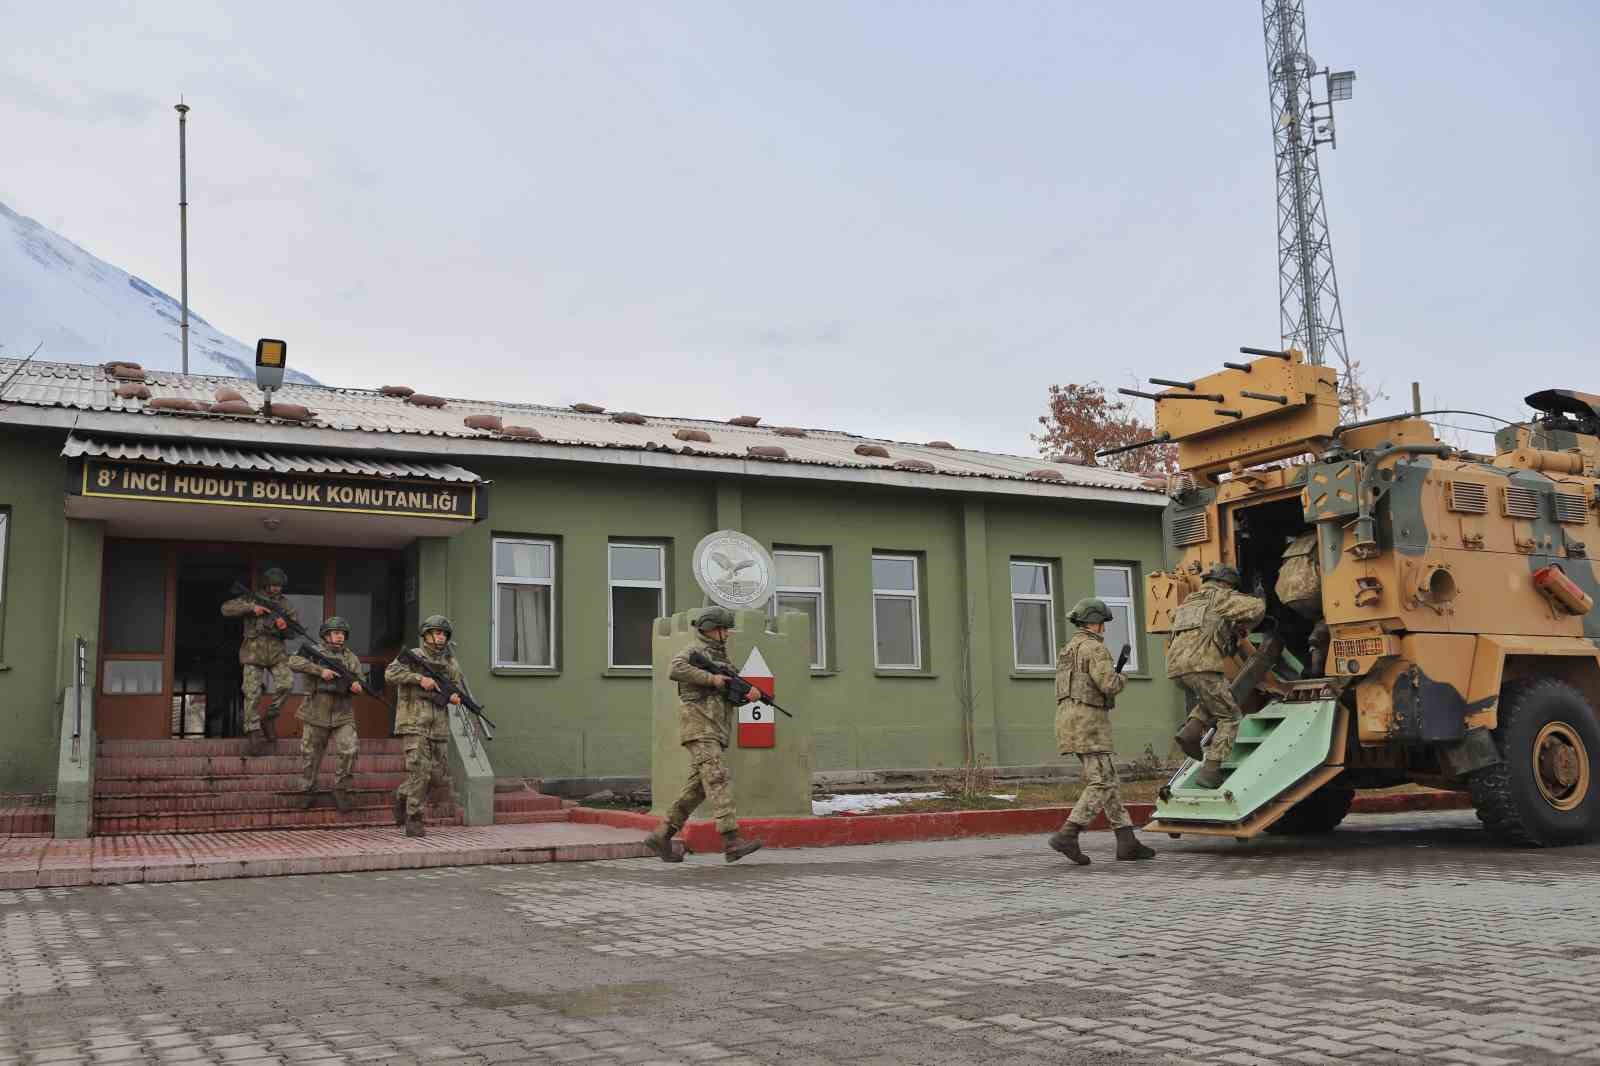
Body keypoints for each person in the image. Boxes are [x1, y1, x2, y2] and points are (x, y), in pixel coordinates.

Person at [642, 607, 765, 864]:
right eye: (725, 629)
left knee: (697, 788)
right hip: (700, 727)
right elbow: (675, 668)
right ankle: (731, 840)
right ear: (712, 629)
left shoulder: (724, 660)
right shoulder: (694, 651)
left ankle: (661, 835)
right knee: (717, 777)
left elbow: (729, 698)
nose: (728, 634)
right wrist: (712, 679)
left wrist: (750, 695)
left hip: (716, 729)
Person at [1047, 598, 1154, 864]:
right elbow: (1108, 684)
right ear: (1094, 623)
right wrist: (1121, 677)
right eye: (1103, 623)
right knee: (1102, 781)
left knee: (1108, 779)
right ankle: (1068, 833)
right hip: (1089, 721)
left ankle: (1126, 840)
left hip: (1068, 720)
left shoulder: (1067, 650)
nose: (1104, 629)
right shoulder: (1094, 648)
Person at [1168, 564, 1266, 789]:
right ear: (1226, 584)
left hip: (1176, 668)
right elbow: (1256, 609)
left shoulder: (1188, 602)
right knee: (1230, 717)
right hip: (1202, 665)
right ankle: (1211, 771)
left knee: (1214, 696)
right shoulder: (1221, 597)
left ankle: (1191, 730)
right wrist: (1260, 596)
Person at [384, 615, 461, 838]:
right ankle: (414, 818)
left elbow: (454, 686)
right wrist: (419, 679)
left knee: (437, 776)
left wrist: (455, 696)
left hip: (439, 725)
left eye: (444, 634)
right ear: (426, 635)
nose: (440, 637)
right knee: (420, 771)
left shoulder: (450, 663)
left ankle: (402, 794)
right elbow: (390, 674)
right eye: (436, 633)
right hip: (414, 722)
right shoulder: (414, 656)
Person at [287, 616, 363, 813]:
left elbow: (360, 680)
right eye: (336, 633)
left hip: (343, 711)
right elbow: (293, 661)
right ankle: (307, 790)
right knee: (310, 755)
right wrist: (319, 671)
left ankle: (340, 790)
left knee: (349, 750)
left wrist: (357, 686)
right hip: (316, 709)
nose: (339, 637)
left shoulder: (351, 658)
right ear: (326, 635)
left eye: (342, 634)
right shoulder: (315, 652)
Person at [221, 566, 298, 756]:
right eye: (272, 585)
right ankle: (253, 730)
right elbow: (226, 609)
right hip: (253, 653)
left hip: (276, 653)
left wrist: (283, 626)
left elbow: (294, 632)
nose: (276, 589)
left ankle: (269, 719)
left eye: (279, 586)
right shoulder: (252, 598)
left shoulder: (286, 606)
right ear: (266, 584)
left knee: (287, 684)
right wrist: (251, 608)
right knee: (251, 692)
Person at [1275, 531, 1330, 677]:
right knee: (1330, 617)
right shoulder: (1325, 535)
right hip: (1312, 591)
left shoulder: (1294, 544)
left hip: (1287, 595)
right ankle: (1318, 638)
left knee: (1319, 618)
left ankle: (1316, 638)